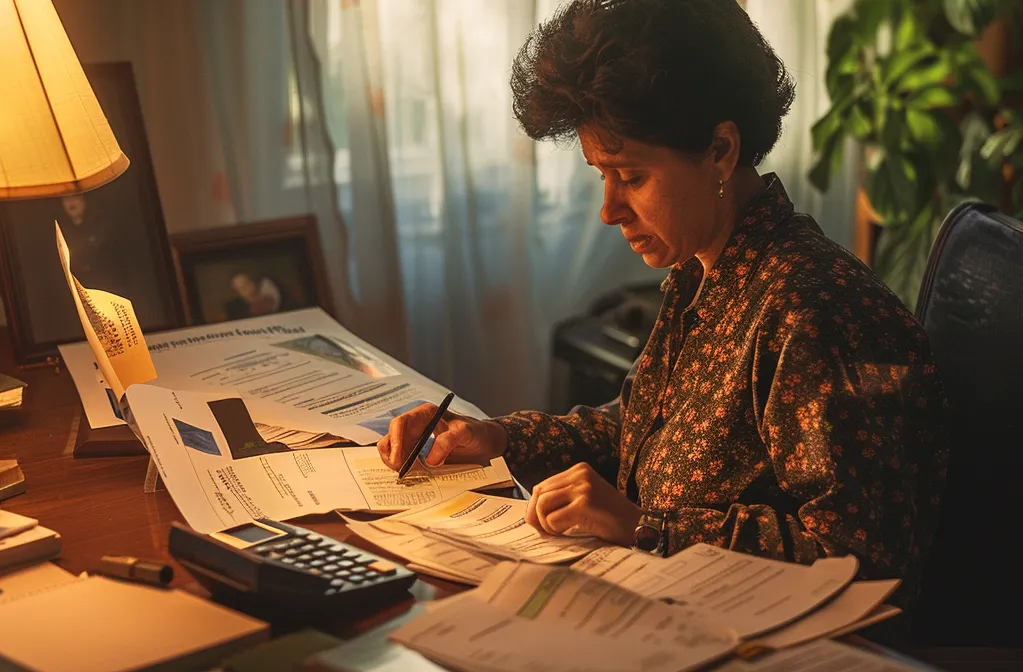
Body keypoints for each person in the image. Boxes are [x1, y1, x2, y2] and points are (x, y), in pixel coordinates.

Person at [378, 0, 951, 615]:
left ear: (721, 151)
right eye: (601, 175)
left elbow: (863, 561)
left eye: (631, 176)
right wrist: (497, 437)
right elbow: (644, 430)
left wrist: (645, 529)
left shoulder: (816, 315)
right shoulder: (704, 267)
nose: (609, 210)